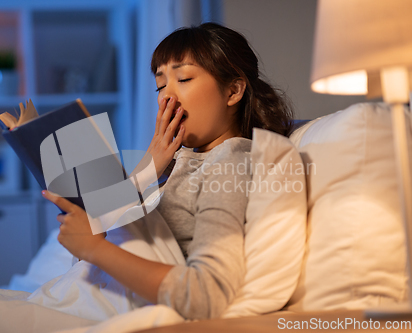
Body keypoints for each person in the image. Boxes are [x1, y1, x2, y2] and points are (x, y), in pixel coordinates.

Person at [42, 22, 293, 320]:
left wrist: (95, 250)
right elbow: (101, 233)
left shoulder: (230, 164)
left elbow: (206, 295)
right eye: (161, 85)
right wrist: (150, 164)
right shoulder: (178, 161)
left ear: (233, 90)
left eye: (184, 78)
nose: (165, 97)